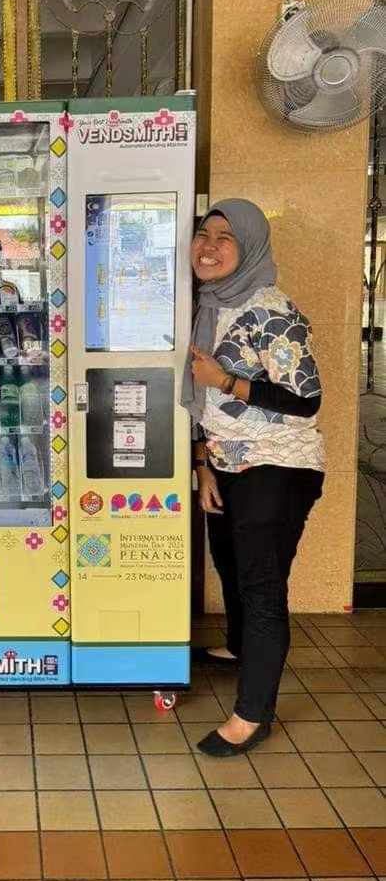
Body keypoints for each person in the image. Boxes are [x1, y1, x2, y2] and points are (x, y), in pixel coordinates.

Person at [181, 199, 325, 757]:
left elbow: (305, 400)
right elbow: (197, 403)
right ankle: (241, 647)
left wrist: (226, 381)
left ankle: (252, 715)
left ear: (251, 248)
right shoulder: (208, 305)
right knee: (231, 564)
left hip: (278, 466)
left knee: (262, 589)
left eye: (225, 237)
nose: (209, 246)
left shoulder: (272, 310)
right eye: (202, 234)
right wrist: (204, 464)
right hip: (228, 463)